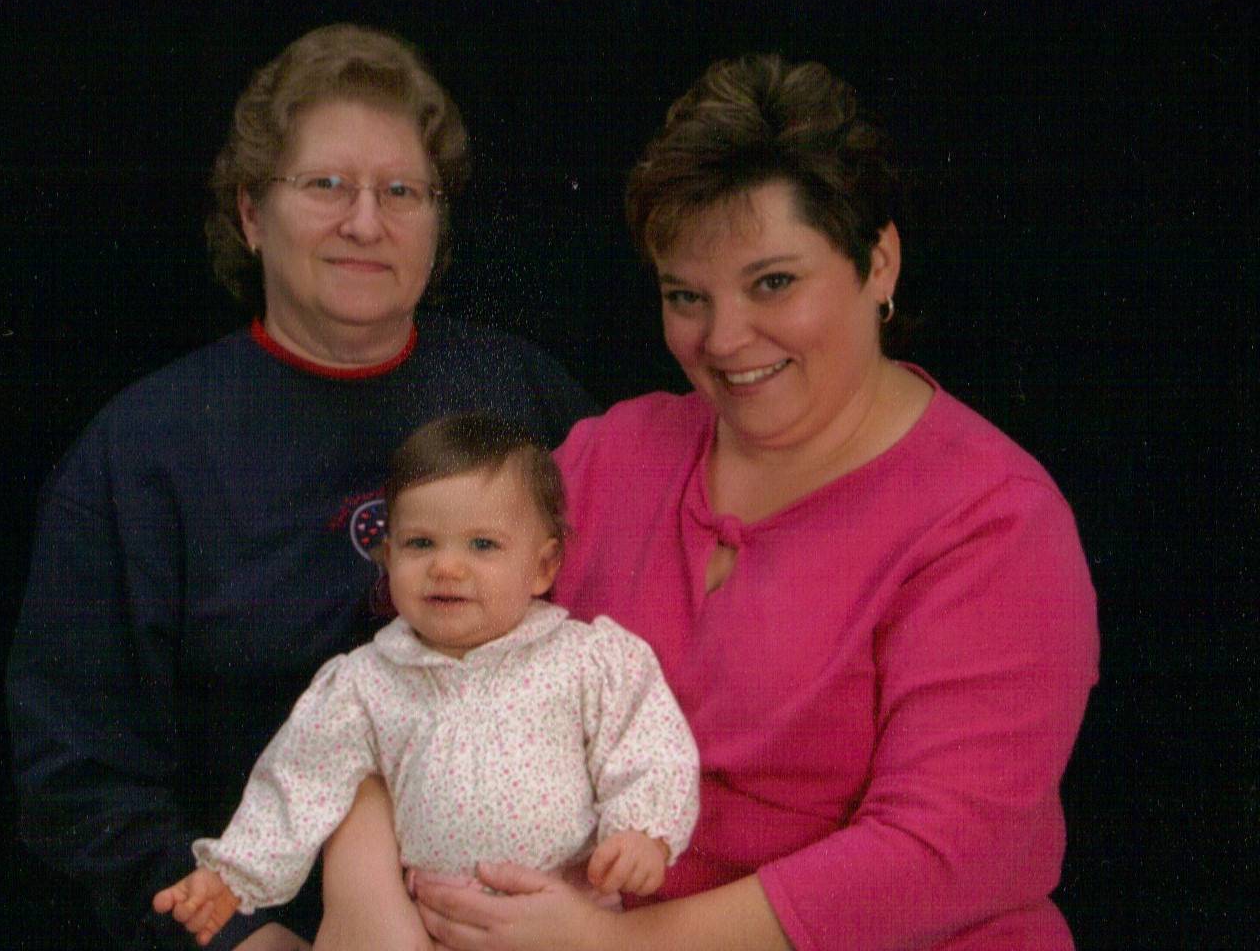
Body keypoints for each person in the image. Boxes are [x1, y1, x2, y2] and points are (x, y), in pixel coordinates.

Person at [332, 52, 1100, 950]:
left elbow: (944, 856)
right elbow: (406, 675)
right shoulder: (610, 459)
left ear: (879, 263)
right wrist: (361, 894)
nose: (725, 339)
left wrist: (618, 946)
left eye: (774, 282)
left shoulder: (995, 520)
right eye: (687, 296)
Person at [6, 25, 596, 951]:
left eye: (401, 192)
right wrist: (240, 937)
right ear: (250, 214)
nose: (365, 222)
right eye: (325, 185)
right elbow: (79, 779)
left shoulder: (523, 395)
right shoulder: (143, 453)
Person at [151, 412, 700, 947]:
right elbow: (299, 781)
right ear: (388, 557)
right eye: (420, 544)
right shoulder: (365, 682)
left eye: (482, 545)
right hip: (434, 926)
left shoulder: (587, 661)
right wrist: (235, 875)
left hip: (568, 917)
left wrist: (643, 831)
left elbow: (649, 744)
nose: (446, 567)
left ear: (543, 567)